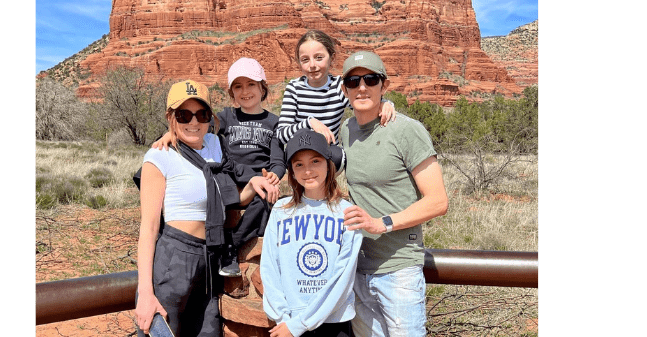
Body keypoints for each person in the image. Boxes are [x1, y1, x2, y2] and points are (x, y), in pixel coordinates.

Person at [135, 79, 278, 337]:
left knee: (208, 330)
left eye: (201, 114)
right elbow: (149, 227)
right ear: (170, 117)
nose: (193, 122)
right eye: (183, 115)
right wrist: (145, 293)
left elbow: (231, 197)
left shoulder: (214, 146)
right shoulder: (159, 157)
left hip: (211, 258)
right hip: (176, 258)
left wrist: (254, 182)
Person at [339, 51, 449, 337]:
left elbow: (438, 201)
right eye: (353, 81)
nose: (362, 87)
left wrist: (382, 223)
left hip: (399, 270)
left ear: (383, 86)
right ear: (344, 89)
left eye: (370, 79)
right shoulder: (345, 130)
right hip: (358, 270)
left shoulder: (407, 130)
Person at [152, 57, 286, 277]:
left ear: (263, 87)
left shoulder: (274, 122)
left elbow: (278, 160)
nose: (245, 91)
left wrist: (273, 176)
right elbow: (194, 128)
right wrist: (171, 132)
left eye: (251, 84)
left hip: (259, 179)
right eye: (238, 86)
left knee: (266, 199)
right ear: (232, 92)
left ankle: (231, 244)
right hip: (229, 177)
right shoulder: (225, 117)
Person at [261, 128, 362, 337]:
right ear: (291, 171)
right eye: (299, 164)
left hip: (334, 321)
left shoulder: (347, 212)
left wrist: (300, 324)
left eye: (315, 161)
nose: (308, 171)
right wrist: (283, 318)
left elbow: (343, 277)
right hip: (288, 321)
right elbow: (270, 267)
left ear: (328, 163)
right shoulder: (281, 211)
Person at [276, 29, 396, 146]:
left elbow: (364, 104)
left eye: (319, 58)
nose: (312, 65)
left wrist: (384, 103)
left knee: (338, 155)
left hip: (329, 153)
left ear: (332, 58)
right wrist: (310, 123)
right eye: (305, 60)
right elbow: (281, 134)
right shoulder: (294, 88)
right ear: (299, 63)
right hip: (302, 151)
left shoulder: (338, 87)